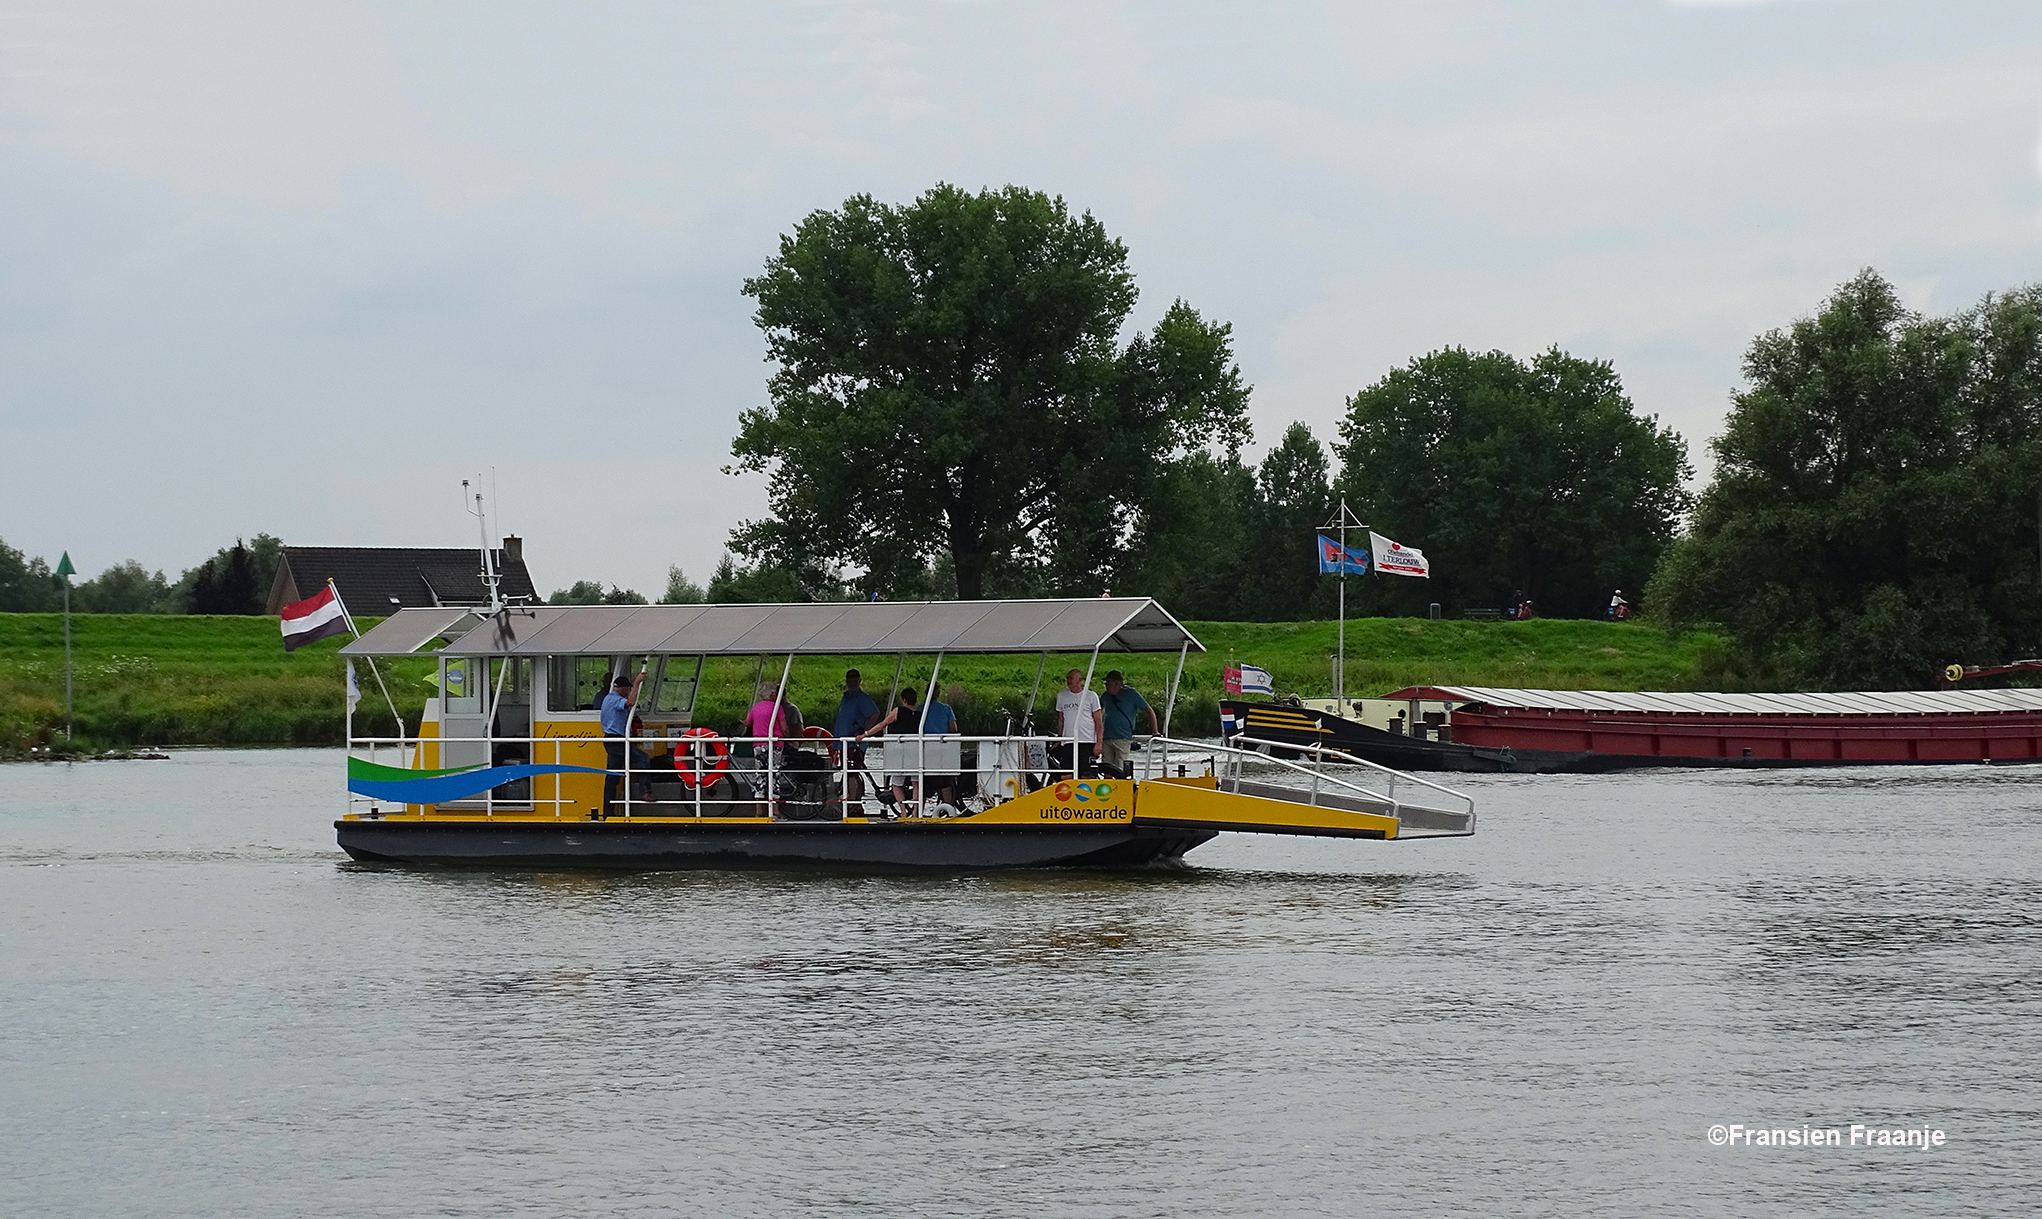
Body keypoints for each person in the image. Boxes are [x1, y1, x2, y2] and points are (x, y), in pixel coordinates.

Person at [600, 667, 649, 817]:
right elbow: (631, 702)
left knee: (612, 777)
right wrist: (637, 683)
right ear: (621, 688)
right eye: (627, 689)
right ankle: (645, 792)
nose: (628, 691)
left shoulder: (608, 698)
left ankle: (608, 811)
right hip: (616, 741)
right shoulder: (615, 699)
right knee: (643, 758)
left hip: (613, 740)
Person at [1098, 670, 1158, 778]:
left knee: (1119, 768)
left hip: (1123, 738)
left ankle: (1120, 790)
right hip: (1106, 738)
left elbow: (1149, 710)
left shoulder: (1131, 694)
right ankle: (1107, 791)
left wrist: (1155, 731)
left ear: (1116, 683)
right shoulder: (1105, 696)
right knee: (1106, 768)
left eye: (1108, 682)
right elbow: (1096, 712)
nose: (1105, 685)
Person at [832, 668, 882, 798]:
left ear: (859, 680)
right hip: (843, 742)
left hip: (855, 743)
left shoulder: (862, 698)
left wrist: (864, 730)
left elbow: (875, 714)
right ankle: (850, 800)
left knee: (853, 773)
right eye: (850, 678)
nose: (852, 681)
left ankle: (855, 803)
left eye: (855, 678)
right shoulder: (846, 697)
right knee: (847, 771)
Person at [1051, 668, 1103, 780]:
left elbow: (1098, 721)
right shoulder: (1061, 696)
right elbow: (1061, 719)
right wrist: (1059, 739)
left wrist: (1099, 742)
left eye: (1071, 678)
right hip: (1068, 740)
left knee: (1086, 774)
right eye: (1067, 678)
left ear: (1080, 680)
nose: (1068, 681)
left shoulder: (1091, 696)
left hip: (1087, 740)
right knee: (1066, 774)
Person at [744, 682, 793, 784]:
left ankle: (760, 792)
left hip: (758, 743)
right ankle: (774, 792)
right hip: (775, 743)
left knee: (760, 769)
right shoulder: (776, 708)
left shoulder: (755, 707)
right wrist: (788, 738)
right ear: (772, 695)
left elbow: (748, 723)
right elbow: (784, 727)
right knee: (774, 769)